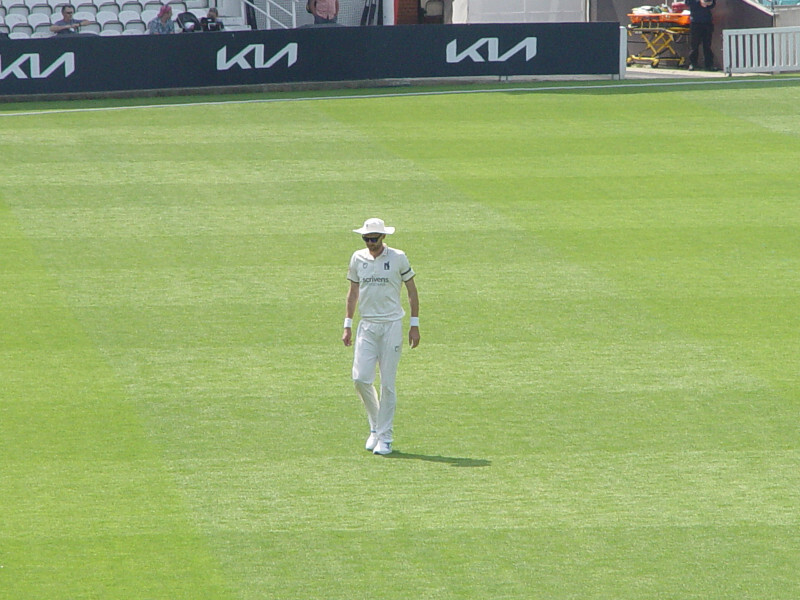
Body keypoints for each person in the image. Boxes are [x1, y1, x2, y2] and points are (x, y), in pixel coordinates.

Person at [342, 218, 420, 456]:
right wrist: (347, 324)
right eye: (366, 239)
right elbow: (353, 292)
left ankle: (385, 437)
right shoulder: (358, 258)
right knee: (360, 379)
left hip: (391, 325)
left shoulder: (398, 257)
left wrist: (414, 325)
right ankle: (376, 426)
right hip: (367, 325)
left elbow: (411, 290)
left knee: (387, 383)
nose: (370, 243)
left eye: (374, 238)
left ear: (383, 237)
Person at [686, 0, 716, 71]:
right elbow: (688, 2)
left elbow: (713, 3)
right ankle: (693, 63)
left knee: (707, 45)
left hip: (707, 21)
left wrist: (710, 3)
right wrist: (699, 2)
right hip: (695, 21)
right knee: (694, 45)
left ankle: (709, 65)